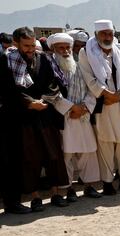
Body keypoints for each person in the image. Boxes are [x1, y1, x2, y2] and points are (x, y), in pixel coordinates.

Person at [8, 27, 71, 211]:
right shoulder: (7, 61)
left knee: (53, 155)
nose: (29, 49)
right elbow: (8, 89)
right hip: (23, 116)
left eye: (31, 45)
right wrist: (29, 102)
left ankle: (56, 193)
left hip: (45, 112)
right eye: (25, 45)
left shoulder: (43, 58)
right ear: (15, 43)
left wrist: (43, 101)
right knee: (30, 158)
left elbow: (53, 84)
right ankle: (35, 197)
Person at [79, 19, 120, 194]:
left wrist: (119, 96)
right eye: (104, 33)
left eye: (110, 33)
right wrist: (106, 94)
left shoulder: (119, 52)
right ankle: (107, 182)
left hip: (119, 103)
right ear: (96, 34)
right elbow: (88, 77)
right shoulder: (86, 52)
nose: (107, 37)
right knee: (105, 142)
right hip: (103, 103)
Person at [48, 33, 103, 200]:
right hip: (64, 117)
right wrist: (70, 108)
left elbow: (91, 89)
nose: (65, 51)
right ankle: (69, 188)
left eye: (68, 48)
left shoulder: (79, 66)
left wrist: (84, 107)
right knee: (67, 154)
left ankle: (89, 185)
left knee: (88, 152)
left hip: (82, 116)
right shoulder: (49, 68)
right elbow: (50, 92)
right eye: (61, 48)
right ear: (53, 49)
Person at [0, 45, 30, 213]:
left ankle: (12, 202)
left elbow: (14, 89)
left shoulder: (8, 59)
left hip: (8, 118)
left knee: (10, 162)